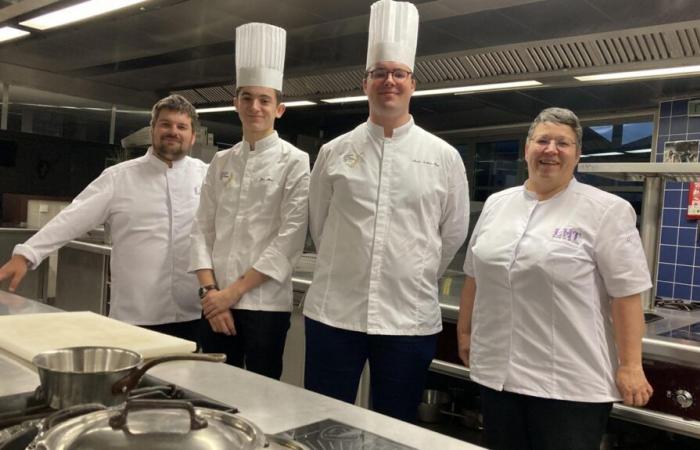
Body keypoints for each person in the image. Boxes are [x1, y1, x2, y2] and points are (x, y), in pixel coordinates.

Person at [303, 0, 469, 422]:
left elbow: (452, 233)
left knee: (395, 427)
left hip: (408, 321)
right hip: (334, 314)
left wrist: (411, 272)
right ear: (365, 84)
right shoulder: (334, 152)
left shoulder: (443, 156)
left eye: (398, 73)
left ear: (413, 83)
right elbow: (319, 223)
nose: (389, 81)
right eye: (380, 73)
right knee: (322, 419)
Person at [457, 107, 653, 450]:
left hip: (569, 382)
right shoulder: (496, 203)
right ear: (527, 148)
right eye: (542, 140)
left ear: (577, 155)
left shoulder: (607, 210)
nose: (551, 150)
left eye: (562, 143)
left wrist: (631, 364)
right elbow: (475, 274)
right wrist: (464, 331)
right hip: (497, 374)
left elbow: (627, 295)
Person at [0, 95, 208, 341]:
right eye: (166, 124)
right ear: (152, 130)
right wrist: (27, 254)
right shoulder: (119, 177)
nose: (173, 131)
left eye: (181, 126)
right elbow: (72, 218)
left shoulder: (207, 177)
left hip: (194, 312)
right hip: (136, 314)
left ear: (192, 136)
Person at [189, 22, 310, 380]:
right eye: (247, 98)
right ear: (235, 103)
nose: (255, 107)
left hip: (264, 306)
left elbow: (289, 239)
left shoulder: (295, 161)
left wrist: (232, 294)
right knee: (211, 389)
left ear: (279, 109)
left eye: (264, 100)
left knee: (260, 395)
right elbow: (201, 229)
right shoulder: (221, 161)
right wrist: (212, 294)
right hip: (214, 302)